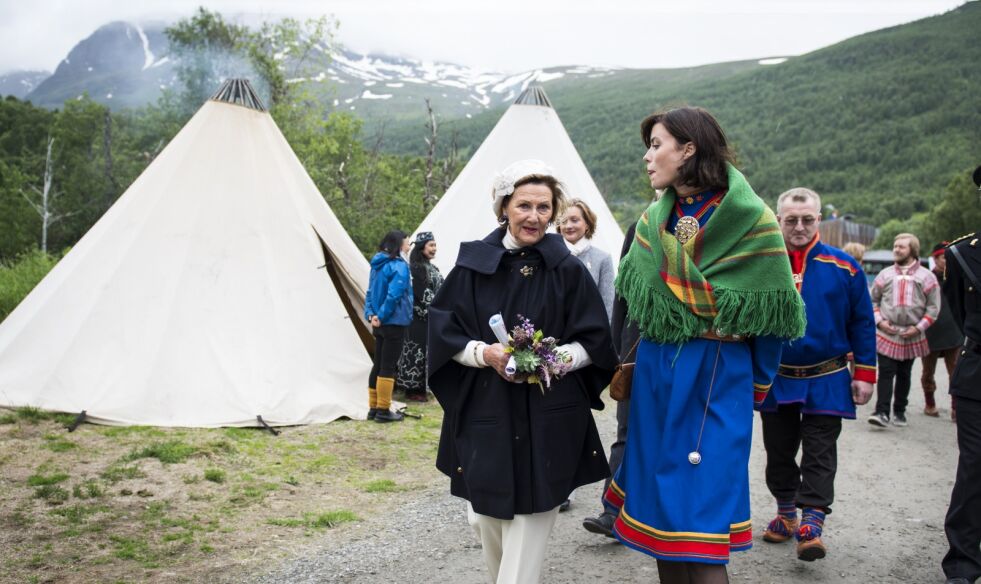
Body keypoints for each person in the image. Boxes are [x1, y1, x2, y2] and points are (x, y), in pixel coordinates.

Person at [604, 107, 806, 584]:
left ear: (688, 149)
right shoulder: (653, 220)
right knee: (664, 524)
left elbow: (773, 318)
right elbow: (634, 307)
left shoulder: (751, 219)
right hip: (656, 375)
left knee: (702, 527)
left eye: (657, 144)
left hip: (718, 373)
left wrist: (755, 386)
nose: (648, 156)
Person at [427, 159, 617, 584]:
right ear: (504, 208)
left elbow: (595, 341)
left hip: (550, 413)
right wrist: (484, 354)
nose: (534, 216)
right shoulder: (473, 266)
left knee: (531, 520)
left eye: (544, 207)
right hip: (485, 411)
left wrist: (554, 359)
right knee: (484, 520)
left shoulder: (567, 269)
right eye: (524, 205)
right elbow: (443, 332)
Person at [758, 187, 877, 562]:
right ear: (779, 220)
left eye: (807, 219)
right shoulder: (761, 265)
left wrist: (866, 374)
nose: (798, 227)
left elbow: (862, 323)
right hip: (776, 377)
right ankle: (785, 512)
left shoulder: (846, 267)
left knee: (820, 451)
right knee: (778, 450)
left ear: (818, 219)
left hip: (827, 376)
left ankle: (812, 521)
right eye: (790, 220)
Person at [582, 219, 638, 537]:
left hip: (684, 359)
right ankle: (611, 512)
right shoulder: (642, 226)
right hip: (636, 352)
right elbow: (622, 297)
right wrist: (617, 351)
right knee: (626, 433)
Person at [941, 166, 981, 584]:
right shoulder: (961, 254)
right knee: (975, 468)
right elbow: (961, 314)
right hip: (977, 376)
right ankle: (963, 563)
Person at [868, 233, 941, 428]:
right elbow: (872, 300)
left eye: (902, 247)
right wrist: (880, 322)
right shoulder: (885, 275)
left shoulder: (927, 277)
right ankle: (882, 411)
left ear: (913, 250)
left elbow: (933, 308)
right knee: (885, 372)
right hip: (886, 332)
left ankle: (899, 411)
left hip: (911, 333)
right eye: (895, 246)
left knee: (904, 374)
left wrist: (919, 328)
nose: (896, 250)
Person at [364, 230, 412, 423]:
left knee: (378, 363)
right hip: (393, 321)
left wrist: (371, 315)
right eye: (408, 243)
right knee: (388, 365)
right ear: (399, 245)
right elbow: (394, 296)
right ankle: (383, 410)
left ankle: (373, 408)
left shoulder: (376, 265)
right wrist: (382, 316)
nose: (409, 247)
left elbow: (369, 293)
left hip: (379, 322)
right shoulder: (398, 266)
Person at [396, 231, 443, 402]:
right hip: (418, 318)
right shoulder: (416, 267)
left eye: (435, 245)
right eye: (431, 245)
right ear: (422, 247)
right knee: (416, 351)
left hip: (431, 317)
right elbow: (422, 293)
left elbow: (442, 288)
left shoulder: (432, 268)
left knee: (425, 352)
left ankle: (422, 387)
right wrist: (439, 306)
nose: (434, 249)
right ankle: (411, 388)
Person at [922, 242, 964, 419]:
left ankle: (956, 408)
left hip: (953, 332)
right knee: (928, 372)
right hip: (931, 332)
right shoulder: (926, 279)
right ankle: (930, 403)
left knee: (956, 372)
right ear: (935, 258)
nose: (945, 261)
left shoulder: (959, 278)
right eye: (942, 258)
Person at [557, 199, 615, 321]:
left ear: (587, 225)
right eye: (563, 221)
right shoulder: (552, 255)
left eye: (574, 220)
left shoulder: (602, 258)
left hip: (589, 331)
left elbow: (608, 306)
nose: (568, 226)